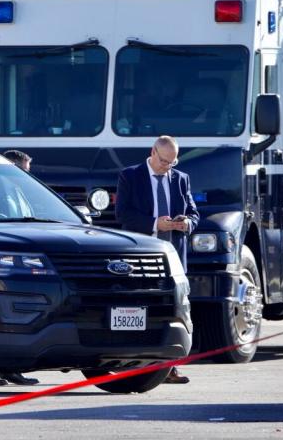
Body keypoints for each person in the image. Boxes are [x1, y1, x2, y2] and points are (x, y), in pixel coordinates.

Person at [115, 135, 199, 384]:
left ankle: (170, 368)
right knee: (142, 311)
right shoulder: (130, 176)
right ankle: (138, 365)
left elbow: (194, 212)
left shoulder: (181, 179)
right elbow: (123, 214)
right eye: (164, 161)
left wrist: (187, 223)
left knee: (175, 312)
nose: (168, 167)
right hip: (142, 257)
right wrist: (154, 223)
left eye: (172, 162)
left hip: (173, 257)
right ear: (153, 152)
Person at [0, 149, 40, 388]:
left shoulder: (18, 191)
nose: (27, 176)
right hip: (0, 260)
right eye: (23, 171)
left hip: (21, 259)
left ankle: (12, 369)